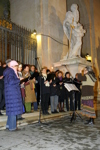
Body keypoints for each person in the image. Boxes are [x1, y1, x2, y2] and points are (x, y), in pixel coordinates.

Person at [3, 60, 23, 131]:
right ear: (13, 66)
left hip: (11, 93)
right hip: (12, 93)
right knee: (13, 110)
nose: (17, 68)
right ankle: (12, 127)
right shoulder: (10, 71)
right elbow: (11, 81)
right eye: (17, 66)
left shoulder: (9, 71)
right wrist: (19, 79)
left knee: (11, 110)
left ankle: (9, 126)